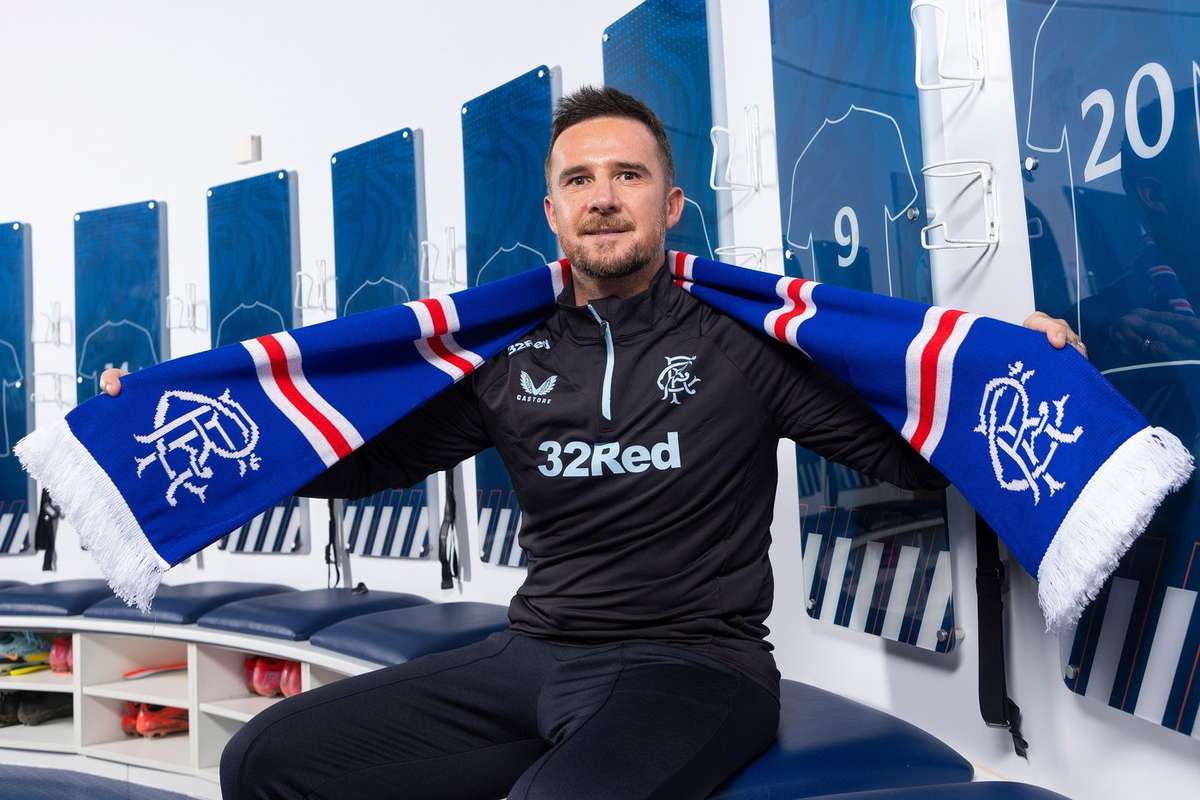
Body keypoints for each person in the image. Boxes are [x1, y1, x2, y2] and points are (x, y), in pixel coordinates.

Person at [101, 87, 1080, 800]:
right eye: (580, 179)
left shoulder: (744, 346)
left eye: (628, 175)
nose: (603, 195)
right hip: (533, 653)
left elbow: (911, 446)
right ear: (553, 213)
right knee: (265, 759)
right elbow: (375, 456)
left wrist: (1020, 371)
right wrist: (155, 414)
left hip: (695, 668)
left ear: (671, 204)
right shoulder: (504, 356)